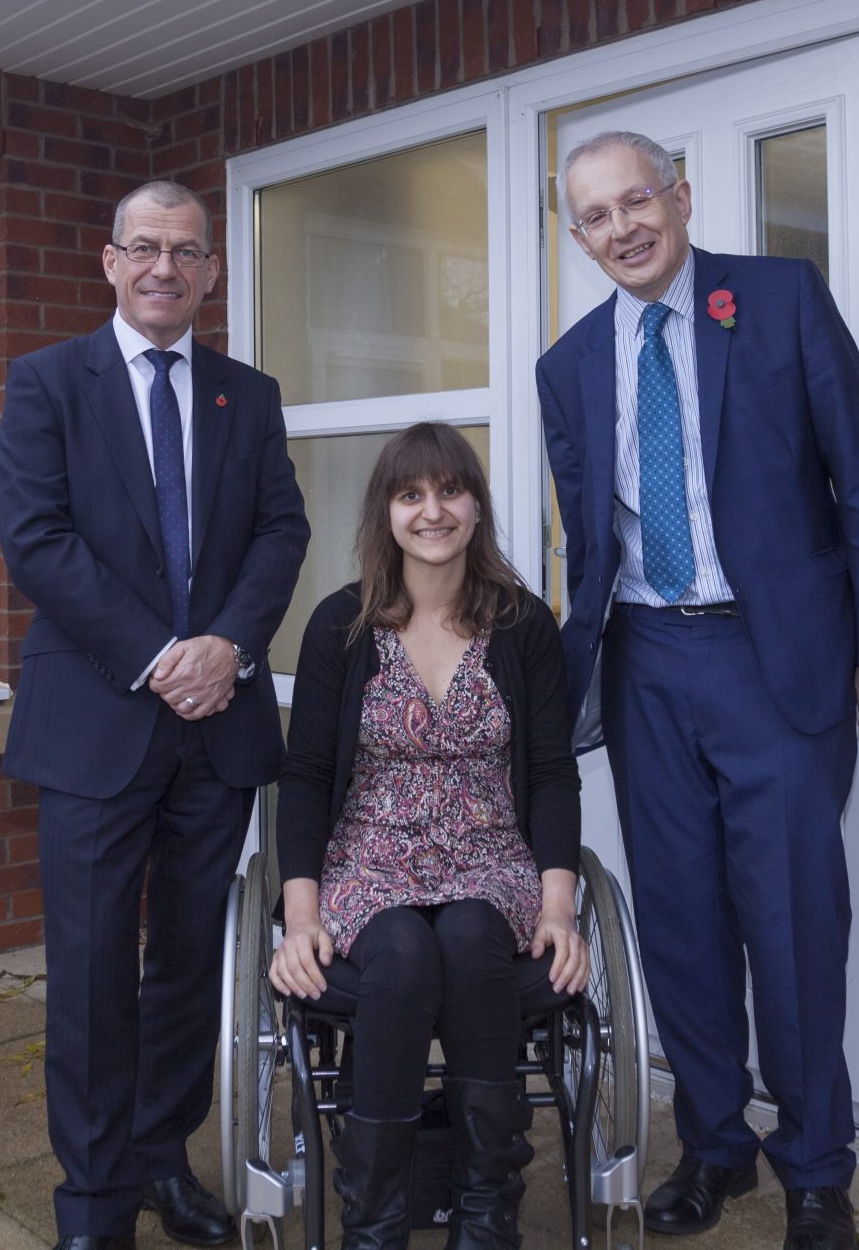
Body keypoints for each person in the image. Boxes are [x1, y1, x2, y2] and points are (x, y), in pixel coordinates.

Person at [535, 132, 859, 1250]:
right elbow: (588, 541)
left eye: (636, 200)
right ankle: (714, 1145)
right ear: (578, 237)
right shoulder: (567, 365)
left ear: (681, 196)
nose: (621, 228)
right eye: (596, 216)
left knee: (793, 918)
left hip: (773, 656)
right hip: (645, 663)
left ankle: (815, 1170)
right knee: (680, 919)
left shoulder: (779, 300)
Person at [0, 179, 309, 1250]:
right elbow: (37, 539)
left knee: (188, 963)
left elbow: (281, 531)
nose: (163, 267)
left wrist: (228, 646)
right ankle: (92, 1203)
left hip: (218, 727)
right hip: (96, 725)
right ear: (110, 261)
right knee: (90, 974)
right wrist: (160, 656)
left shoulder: (247, 395)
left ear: (211, 271)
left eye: (184, 251)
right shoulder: (47, 382)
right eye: (144, 247)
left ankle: (162, 1158)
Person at [271, 422, 587, 1250]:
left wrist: (559, 907)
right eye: (411, 494)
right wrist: (300, 918)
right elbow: (305, 776)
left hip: (489, 853)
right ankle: (374, 1226)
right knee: (406, 952)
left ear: (477, 507)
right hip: (371, 854)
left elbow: (552, 773)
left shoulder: (522, 625)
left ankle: (486, 1217)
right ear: (387, 511)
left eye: (451, 490)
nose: (433, 510)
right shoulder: (341, 625)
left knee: (475, 936)